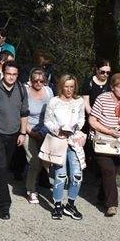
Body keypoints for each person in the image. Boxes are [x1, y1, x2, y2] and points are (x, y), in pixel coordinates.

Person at [0, 62, 29, 220]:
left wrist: (23, 133)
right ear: (3, 73)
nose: (11, 77)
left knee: (2, 168)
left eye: (14, 74)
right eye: (9, 74)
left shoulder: (22, 90)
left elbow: (24, 112)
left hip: (13, 134)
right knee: (1, 168)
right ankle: (4, 204)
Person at [89, 72, 120, 217]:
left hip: (119, 142)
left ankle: (102, 196)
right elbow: (92, 120)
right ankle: (112, 205)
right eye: (119, 87)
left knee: (112, 171)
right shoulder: (102, 99)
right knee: (108, 170)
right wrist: (109, 130)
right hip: (102, 140)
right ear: (112, 87)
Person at [44, 75, 87, 221]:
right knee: (60, 175)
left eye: (71, 86)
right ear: (61, 86)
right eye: (66, 86)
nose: (69, 90)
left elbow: (82, 118)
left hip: (74, 140)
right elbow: (48, 121)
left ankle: (71, 203)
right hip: (59, 140)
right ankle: (57, 204)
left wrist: (77, 127)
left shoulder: (79, 101)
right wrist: (58, 130)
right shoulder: (54, 102)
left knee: (76, 174)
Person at [23, 68, 53, 204]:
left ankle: (35, 179)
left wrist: (45, 130)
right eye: (35, 81)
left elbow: (52, 112)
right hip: (28, 128)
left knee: (45, 160)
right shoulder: (25, 91)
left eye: (42, 81)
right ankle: (31, 190)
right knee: (34, 160)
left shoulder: (49, 92)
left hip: (45, 129)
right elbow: (21, 114)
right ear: (31, 80)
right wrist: (30, 132)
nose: (38, 83)